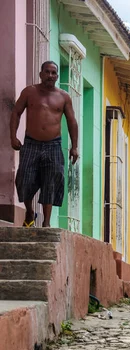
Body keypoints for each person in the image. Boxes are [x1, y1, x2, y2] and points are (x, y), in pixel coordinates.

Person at [10, 61, 79, 227]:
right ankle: (28, 211)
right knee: (24, 178)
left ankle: (46, 223)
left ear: (57, 76)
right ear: (41, 74)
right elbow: (16, 113)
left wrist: (74, 146)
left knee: (51, 181)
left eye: (53, 73)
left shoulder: (63, 97)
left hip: (53, 145)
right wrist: (13, 137)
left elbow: (71, 121)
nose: (50, 75)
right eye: (47, 72)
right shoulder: (30, 92)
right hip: (31, 143)